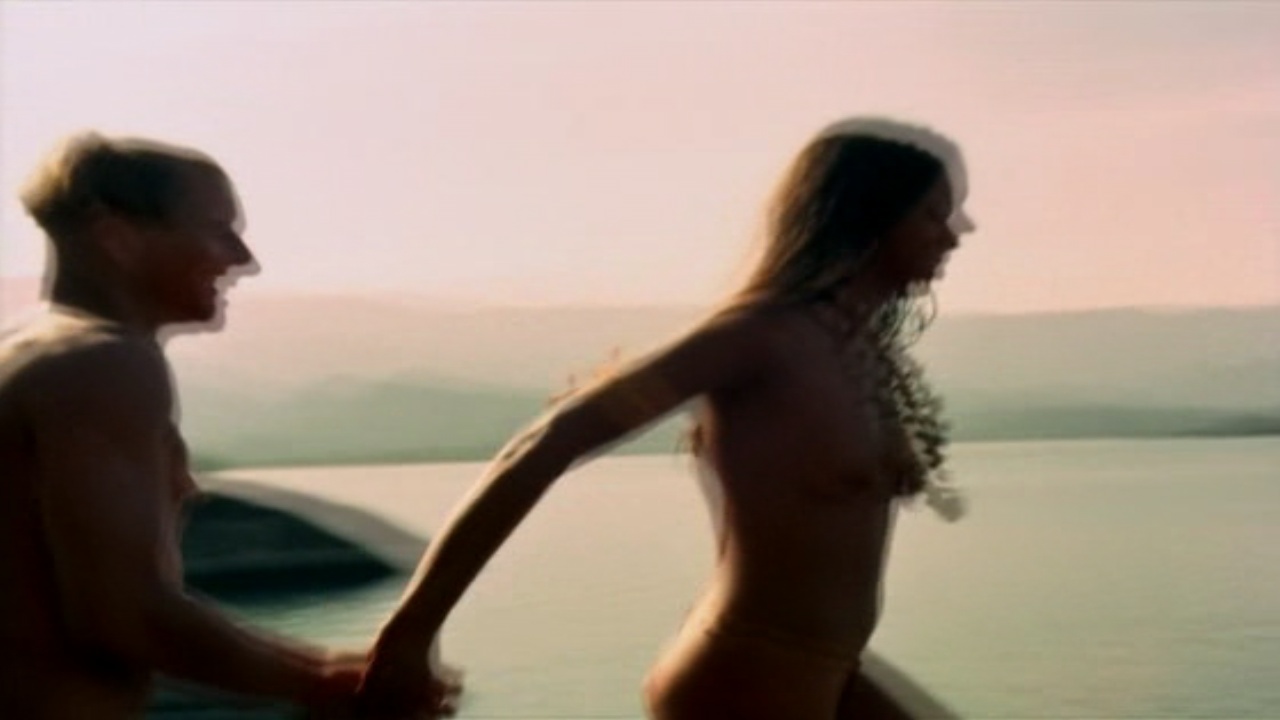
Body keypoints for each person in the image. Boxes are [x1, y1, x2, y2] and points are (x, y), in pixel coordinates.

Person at [358, 116, 975, 720]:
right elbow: (546, 442)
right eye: (932, 215)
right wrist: (411, 633)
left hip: (828, 675)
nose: (952, 235)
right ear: (869, 214)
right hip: (746, 681)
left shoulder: (854, 349)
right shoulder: (760, 335)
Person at [0, 133, 378, 719]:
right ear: (117, 238)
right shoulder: (103, 363)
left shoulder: (27, 353)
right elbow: (121, 615)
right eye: (217, 229)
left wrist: (321, 672)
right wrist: (326, 685)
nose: (242, 258)